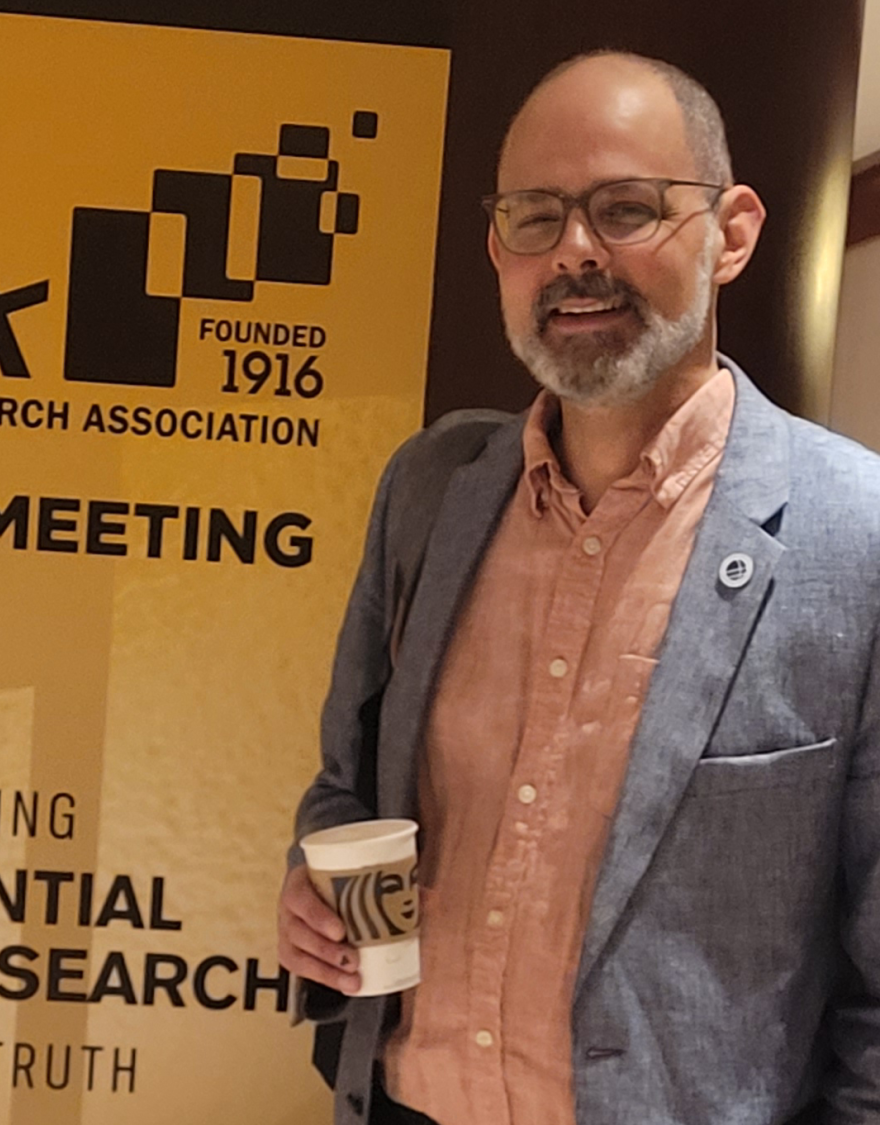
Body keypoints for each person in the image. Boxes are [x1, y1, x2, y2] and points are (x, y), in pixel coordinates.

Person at [278, 50, 880, 1125]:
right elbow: (346, 789)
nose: (575, 253)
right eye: (535, 217)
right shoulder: (433, 490)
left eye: (627, 209)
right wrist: (315, 896)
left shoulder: (858, 538)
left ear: (734, 233)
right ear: (496, 248)